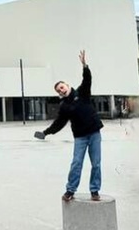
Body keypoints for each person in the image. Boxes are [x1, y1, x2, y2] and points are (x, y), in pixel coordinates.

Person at [37, 50, 103, 202]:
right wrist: (46, 133)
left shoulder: (82, 92)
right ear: (59, 93)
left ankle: (95, 190)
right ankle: (70, 190)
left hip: (94, 133)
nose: (61, 89)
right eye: (58, 89)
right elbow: (59, 123)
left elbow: (87, 79)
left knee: (96, 164)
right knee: (76, 163)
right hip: (80, 137)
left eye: (62, 86)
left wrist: (84, 65)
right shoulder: (64, 106)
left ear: (67, 85)